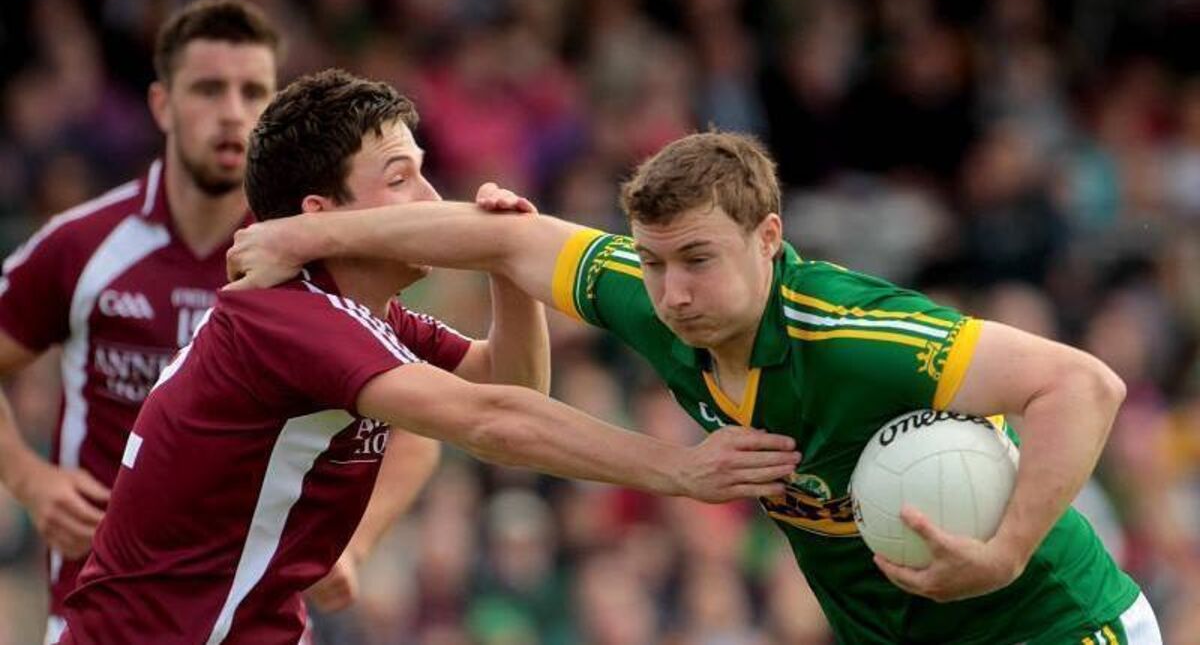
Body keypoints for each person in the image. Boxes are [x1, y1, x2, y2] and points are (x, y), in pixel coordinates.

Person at [228, 129, 1165, 643]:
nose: (672, 292)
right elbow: (503, 235)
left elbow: (1083, 384)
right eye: (653, 261)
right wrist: (306, 237)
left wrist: (1002, 552)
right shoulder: (656, 299)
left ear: (768, 238)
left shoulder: (856, 335)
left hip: (1057, 624)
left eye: (699, 260)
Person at [55, 70, 799, 644]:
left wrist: (503, 264)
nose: (433, 198)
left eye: (424, 170)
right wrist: (680, 469)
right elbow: (494, 421)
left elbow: (511, 385)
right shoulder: (288, 319)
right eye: (399, 178)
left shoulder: (366, 314)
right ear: (322, 218)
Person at [0, 0, 412, 643]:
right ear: (162, 104)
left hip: (258, 626)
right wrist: (30, 479)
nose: (232, 113)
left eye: (253, 93)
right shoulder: (84, 247)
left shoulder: (315, 259)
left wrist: (356, 546)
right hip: (103, 620)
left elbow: (418, 418)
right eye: (208, 89)